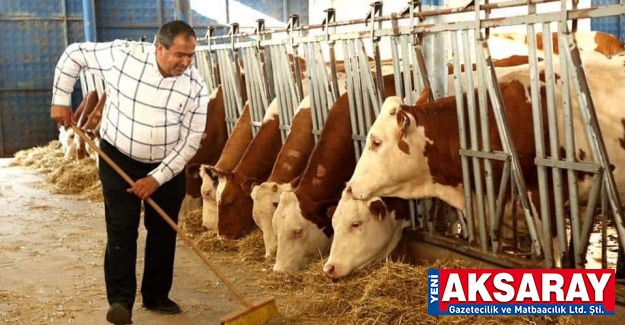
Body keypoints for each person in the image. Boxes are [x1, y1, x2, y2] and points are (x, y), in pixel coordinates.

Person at [50, 20, 208, 325]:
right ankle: (120, 301)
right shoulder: (124, 56)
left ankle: (157, 295)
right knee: (122, 228)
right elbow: (74, 54)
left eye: (191, 56)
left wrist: (156, 178)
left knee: (164, 229)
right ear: (159, 48)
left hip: (167, 165)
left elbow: (190, 142)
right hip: (118, 157)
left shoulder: (196, 87)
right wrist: (60, 99)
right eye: (179, 55)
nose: (186, 62)